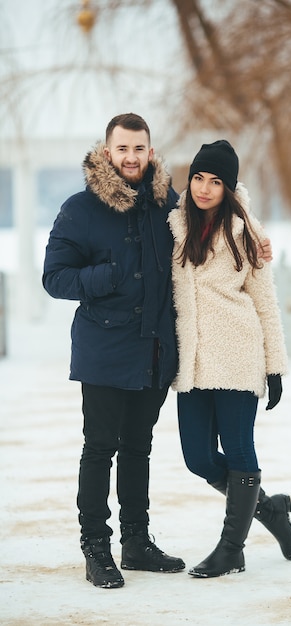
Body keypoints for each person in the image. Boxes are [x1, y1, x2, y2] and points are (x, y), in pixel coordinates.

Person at [42, 113, 186, 589]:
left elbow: (207, 238)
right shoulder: (80, 209)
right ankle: (96, 549)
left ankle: (137, 543)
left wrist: (254, 242)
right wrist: (104, 278)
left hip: (154, 350)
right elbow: (55, 278)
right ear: (107, 153)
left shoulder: (167, 202)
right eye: (122, 149)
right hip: (104, 350)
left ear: (150, 151)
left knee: (139, 449)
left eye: (139, 149)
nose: (130, 158)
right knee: (100, 448)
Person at [167, 139, 291, 578]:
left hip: (239, 354)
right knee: (198, 459)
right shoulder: (174, 225)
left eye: (216, 181)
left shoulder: (248, 235)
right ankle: (269, 510)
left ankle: (231, 549)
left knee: (239, 449)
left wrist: (275, 367)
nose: (204, 188)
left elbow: (266, 304)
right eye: (199, 178)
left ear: (229, 187)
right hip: (193, 360)